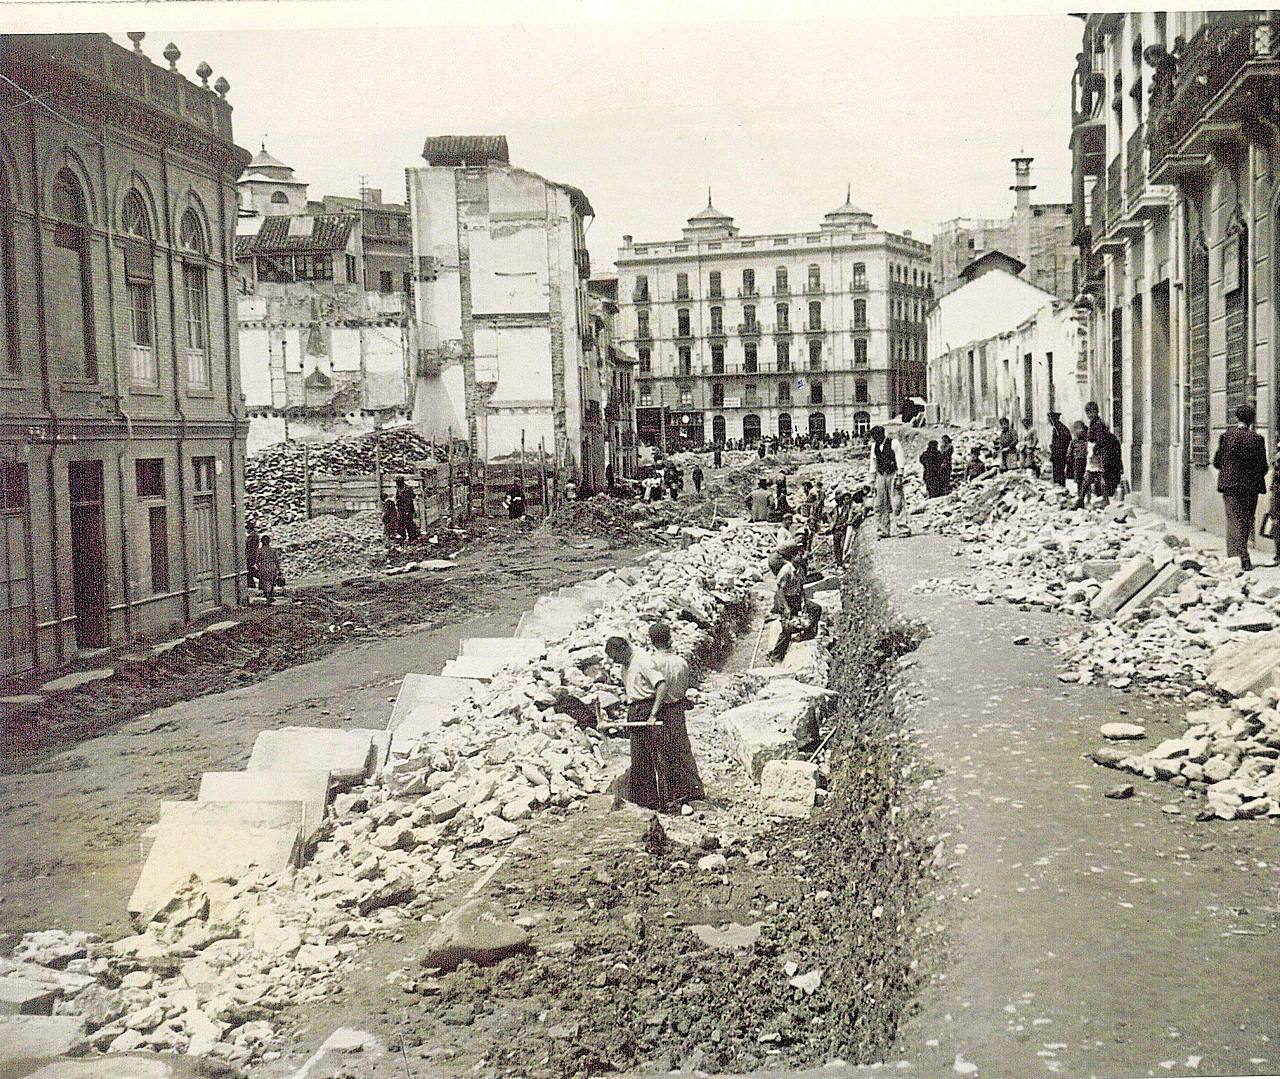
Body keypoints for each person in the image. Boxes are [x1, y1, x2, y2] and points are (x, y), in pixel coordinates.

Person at [604, 635, 671, 812]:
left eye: (616, 657)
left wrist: (653, 714)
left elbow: (661, 685)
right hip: (634, 711)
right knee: (639, 758)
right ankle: (647, 802)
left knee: (656, 757)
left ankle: (664, 802)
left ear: (624, 649)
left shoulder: (642, 661)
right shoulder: (624, 667)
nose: (615, 661)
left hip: (647, 710)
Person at [648, 621, 704, 808]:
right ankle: (694, 790)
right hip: (678, 709)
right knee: (683, 749)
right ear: (669, 638)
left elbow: (654, 690)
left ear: (652, 641)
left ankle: (671, 795)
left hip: (663, 710)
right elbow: (685, 686)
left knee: (665, 752)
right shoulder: (681, 662)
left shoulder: (653, 663)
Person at [1213, 402, 1269, 573]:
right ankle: (1240, 557)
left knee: (1234, 521)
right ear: (1252, 420)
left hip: (1230, 486)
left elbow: (1216, 462)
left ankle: (1238, 559)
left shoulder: (1226, 436)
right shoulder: (1258, 439)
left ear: (1236, 418)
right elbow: (1263, 466)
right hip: (1250, 488)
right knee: (1246, 521)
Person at [867, 426, 909, 538]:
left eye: (876, 436)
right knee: (879, 504)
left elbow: (900, 459)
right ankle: (883, 530)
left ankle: (903, 528)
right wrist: (871, 481)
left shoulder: (894, 443)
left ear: (881, 435)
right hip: (881, 476)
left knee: (897, 501)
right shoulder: (874, 446)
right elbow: (873, 463)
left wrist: (900, 476)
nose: (875, 439)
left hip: (893, 474)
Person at [1076, 426, 1109, 508]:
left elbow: (1103, 455)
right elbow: (1085, 454)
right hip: (1090, 467)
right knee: (1085, 484)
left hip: (1099, 467)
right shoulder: (1088, 444)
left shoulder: (1102, 444)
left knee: (1103, 484)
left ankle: (1106, 501)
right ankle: (1081, 501)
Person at [255, 536, 281, 605]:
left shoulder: (259, 551)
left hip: (264, 568)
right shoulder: (273, 550)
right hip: (272, 567)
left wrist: (259, 568)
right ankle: (271, 596)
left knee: (265, 583)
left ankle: (268, 597)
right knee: (272, 582)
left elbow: (257, 561)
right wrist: (279, 570)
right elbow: (276, 561)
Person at [1048, 412, 1072, 487]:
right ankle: (1059, 486)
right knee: (1059, 472)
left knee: (1059, 472)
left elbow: (1063, 440)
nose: (1049, 422)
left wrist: (1055, 448)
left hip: (1059, 454)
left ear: (1053, 419)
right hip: (1059, 453)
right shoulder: (1059, 427)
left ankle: (1059, 487)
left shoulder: (1059, 428)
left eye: (1050, 419)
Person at [1067, 420, 1090, 498]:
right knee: (1079, 481)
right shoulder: (1073, 442)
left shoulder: (1087, 441)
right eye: (1077, 429)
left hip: (1086, 461)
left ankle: (1087, 497)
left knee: (1086, 480)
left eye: (1081, 429)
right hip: (1077, 462)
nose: (1079, 432)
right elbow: (1069, 453)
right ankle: (1081, 497)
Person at [831, 491, 853, 565]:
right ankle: (838, 562)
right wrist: (831, 523)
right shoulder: (835, 508)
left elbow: (849, 517)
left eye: (839, 499)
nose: (838, 501)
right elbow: (828, 515)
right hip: (835, 529)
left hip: (843, 529)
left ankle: (842, 561)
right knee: (836, 546)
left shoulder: (846, 508)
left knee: (842, 545)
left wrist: (845, 523)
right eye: (837, 500)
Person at [244, 519, 260, 590]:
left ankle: (252, 584)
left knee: (250, 570)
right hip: (252, 555)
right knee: (250, 570)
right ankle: (251, 584)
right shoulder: (254, 535)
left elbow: (249, 546)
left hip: (251, 555)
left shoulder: (252, 536)